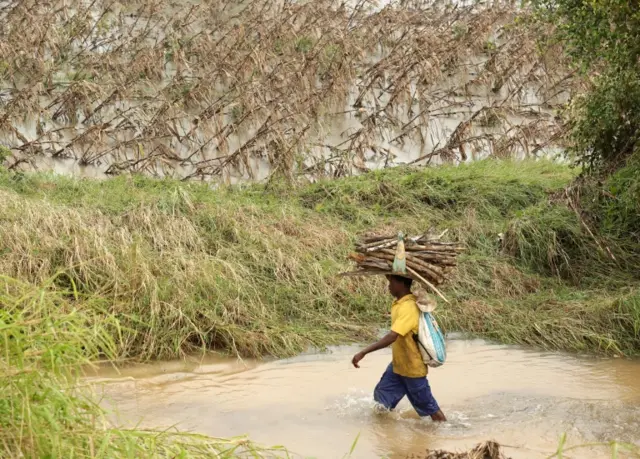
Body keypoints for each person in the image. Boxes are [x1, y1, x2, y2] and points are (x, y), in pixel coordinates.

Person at [351, 275, 447, 422]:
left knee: (429, 407)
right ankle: (386, 435)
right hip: (398, 365)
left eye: (392, 282)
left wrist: (363, 352)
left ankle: (447, 431)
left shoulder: (408, 307)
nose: (389, 286)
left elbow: (392, 336)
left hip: (412, 369)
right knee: (382, 400)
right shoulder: (399, 304)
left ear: (401, 284)